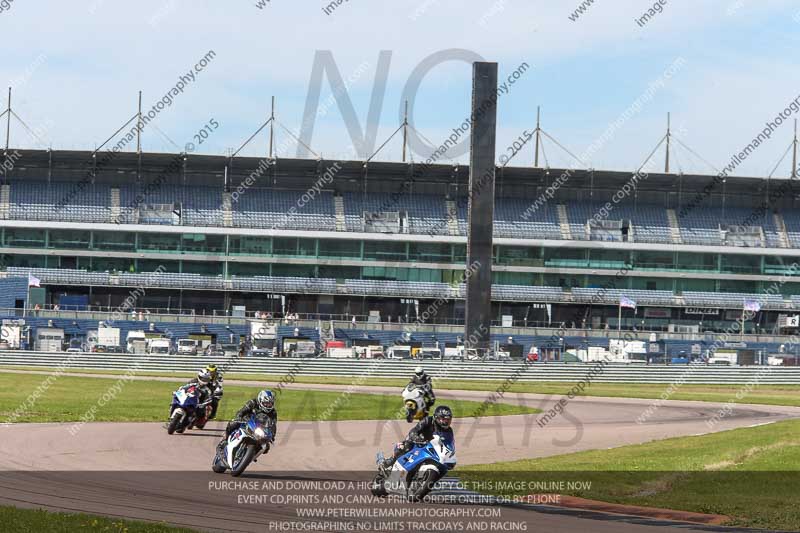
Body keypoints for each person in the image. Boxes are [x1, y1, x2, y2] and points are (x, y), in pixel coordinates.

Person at [382, 405, 454, 471]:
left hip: (432, 447)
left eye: (448, 420)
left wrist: (450, 454)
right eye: (444, 419)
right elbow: (414, 431)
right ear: (436, 417)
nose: (446, 422)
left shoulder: (449, 430)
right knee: (405, 446)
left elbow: (450, 443)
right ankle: (392, 460)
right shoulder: (427, 421)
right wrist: (417, 438)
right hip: (418, 441)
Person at [217, 389, 277, 454]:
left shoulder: (273, 412)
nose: (268, 405)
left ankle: (251, 455)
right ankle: (224, 440)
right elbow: (241, 411)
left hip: (259, 429)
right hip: (246, 422)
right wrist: (239, 417)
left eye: (270, 404)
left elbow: (273, 425)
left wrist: (272, 436)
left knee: (266, 448)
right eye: (266, 403)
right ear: (260, 400)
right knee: (233, 423)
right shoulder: (253, 402)